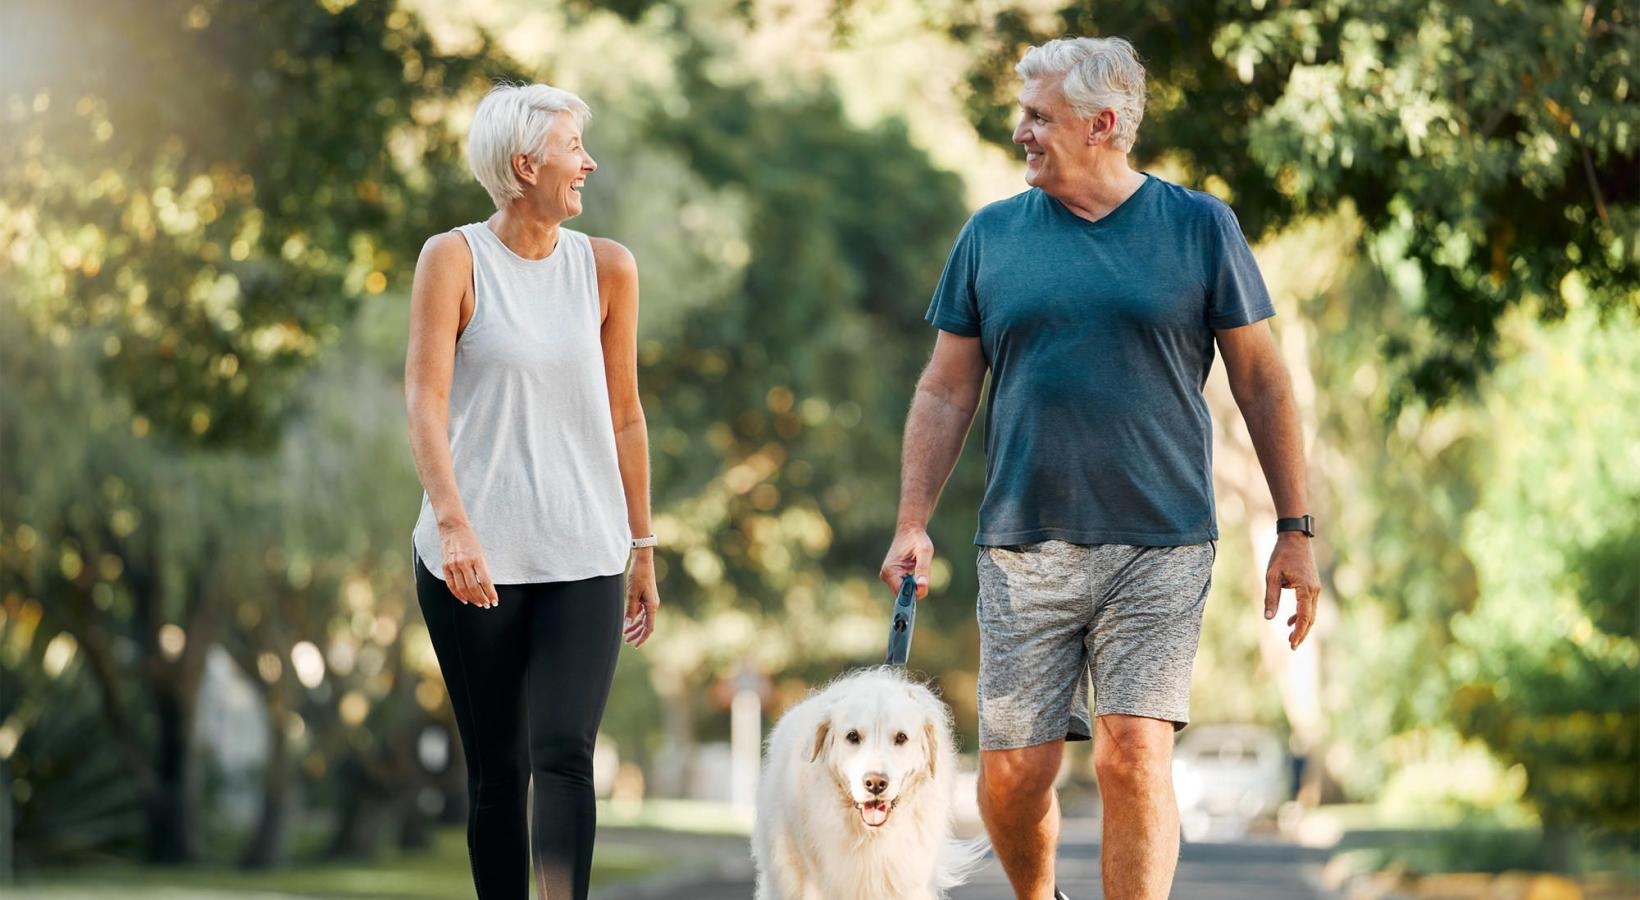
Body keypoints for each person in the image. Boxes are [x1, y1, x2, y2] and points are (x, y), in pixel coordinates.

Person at [878, 37, 1321, 900]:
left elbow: (1262, 382)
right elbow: (943, 391)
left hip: (1161, 538)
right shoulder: (992, 236)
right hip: (1023, 541)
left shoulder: (1198, 227)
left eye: (1039, 117)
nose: (1020, 133)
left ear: (1104, 125)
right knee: (1013, 776)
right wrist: (911, 521)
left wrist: (1294, 529)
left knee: (1133, 751)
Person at [405, 82, 659, 900]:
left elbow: (626, 416)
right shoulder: (454, 258)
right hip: (472, 562)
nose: (588, 162)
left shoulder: (608, 269)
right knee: (498, 768)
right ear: (524, 165)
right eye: (572, 148)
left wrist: (643, 546)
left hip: (583, 554)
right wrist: (453, 528)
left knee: (564, 754)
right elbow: (425, 401)